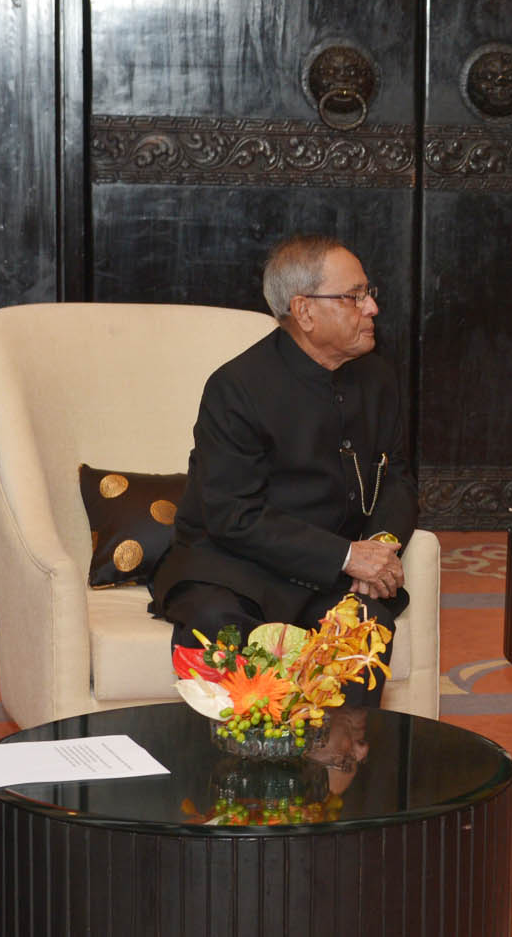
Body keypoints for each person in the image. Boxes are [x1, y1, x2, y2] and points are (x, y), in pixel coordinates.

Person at [150, 235, 419, 706]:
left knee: (365, 628)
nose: (372, 307)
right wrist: (344, 556)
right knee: (220, 628)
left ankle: (343, 767)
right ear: (305, 310)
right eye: (354, 296)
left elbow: (396, 475)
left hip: (325, 574)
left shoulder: (377, 378)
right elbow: (233, 516)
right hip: (232, 567)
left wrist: (377, 549)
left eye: (368, 292)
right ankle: (237, 770)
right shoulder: (237, 388)